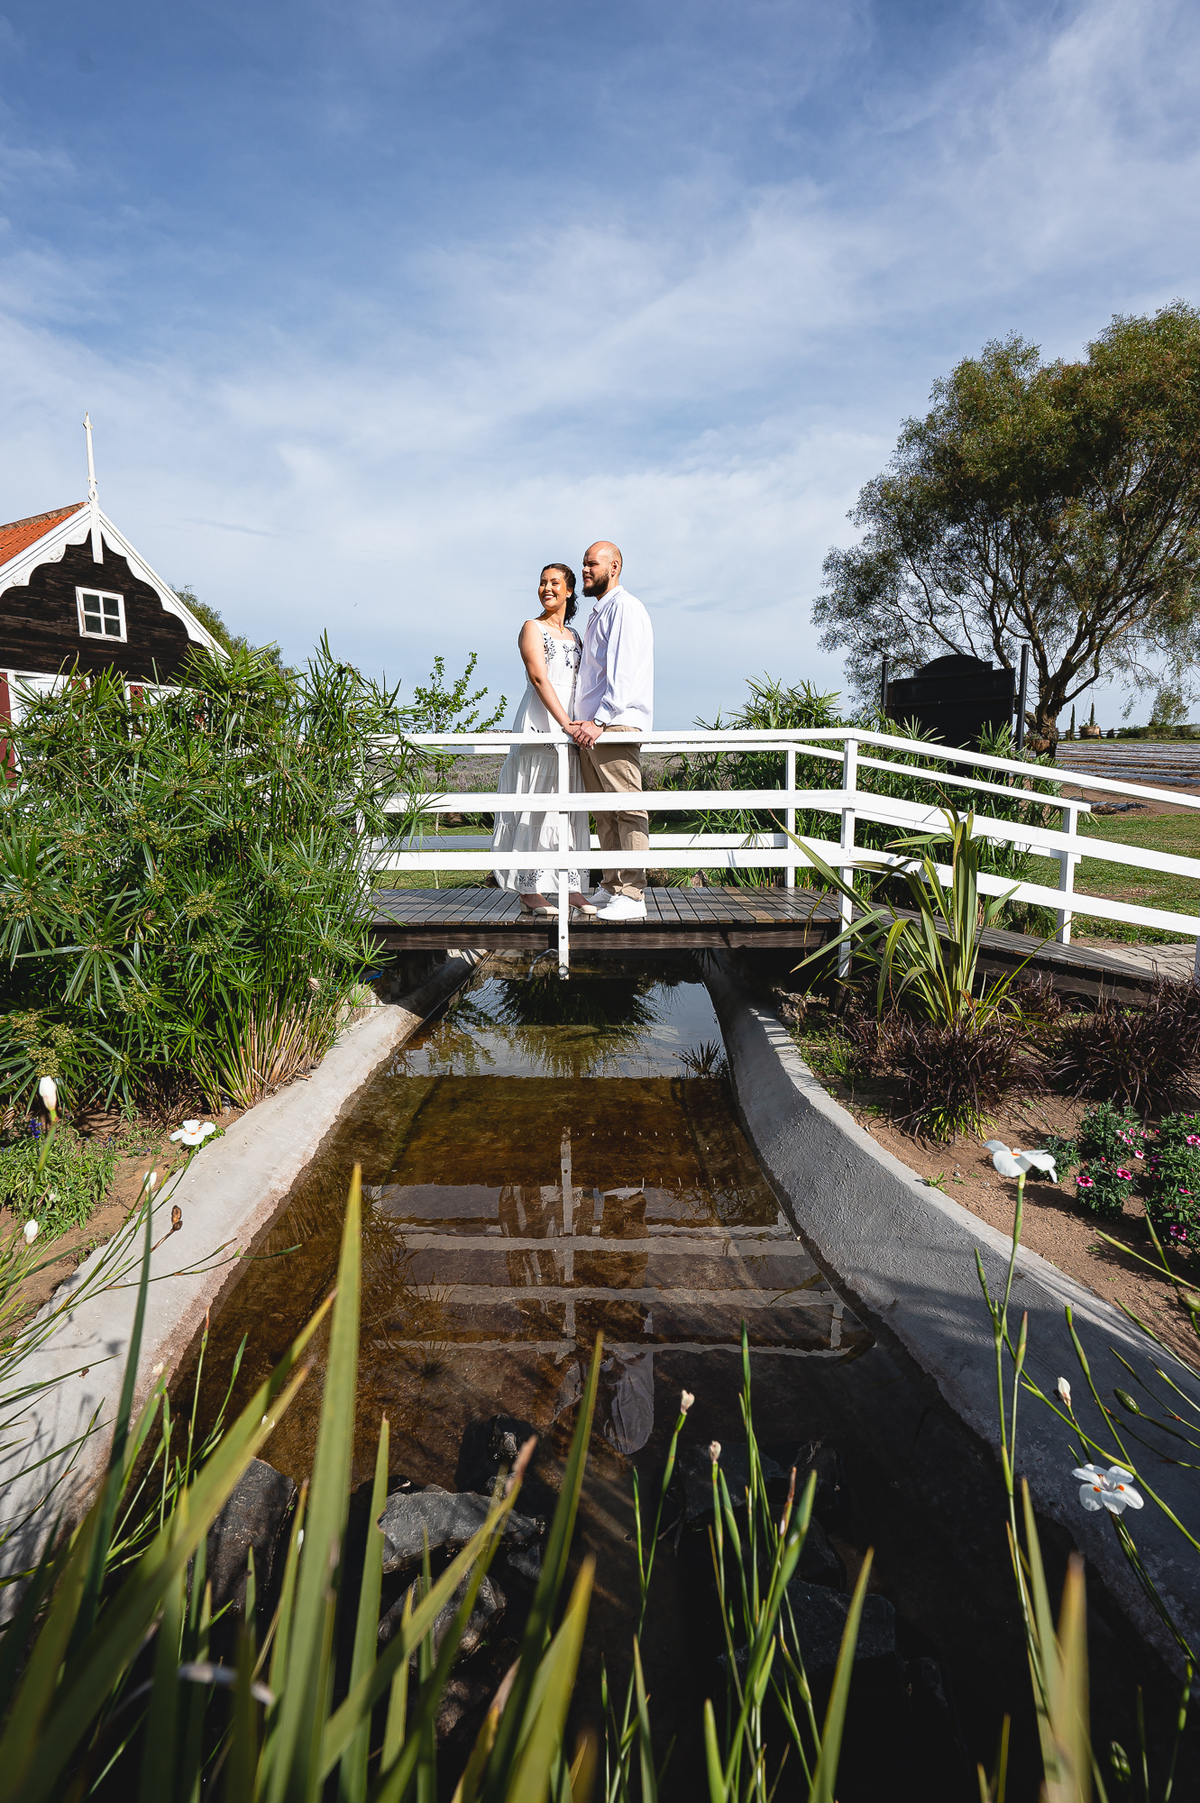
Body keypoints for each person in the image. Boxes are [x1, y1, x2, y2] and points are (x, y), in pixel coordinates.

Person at [491, 564, 595, 918]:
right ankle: (528, 889)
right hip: (542, 721)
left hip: (571, 726)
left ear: (569, 591)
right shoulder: (531, 628)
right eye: (542, 582)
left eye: (555, 583)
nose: (547, 588)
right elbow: (538, 676)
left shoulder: (576, 636)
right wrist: (564, 723)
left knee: (567, 806)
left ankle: (571, 887)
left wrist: (584, 723)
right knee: (534, 803)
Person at [570, 541, 654, 922]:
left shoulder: (625, 608)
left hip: (612, 724)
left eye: (592, 564)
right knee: (604, 813)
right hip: (592, 729)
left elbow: (623, 672)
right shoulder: (598, 612)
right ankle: (612, 886)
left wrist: (600, 720)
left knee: (627, 808)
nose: (585, 570)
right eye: (584, 563)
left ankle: (634, 894)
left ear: (614, 566)